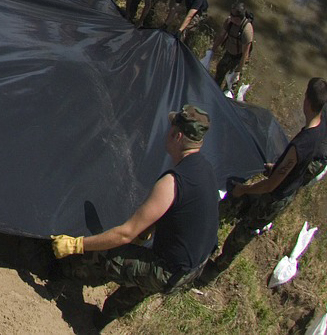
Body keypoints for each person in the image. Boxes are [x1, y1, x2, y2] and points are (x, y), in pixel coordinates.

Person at [51, 105, 219, 330]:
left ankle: (60, 273)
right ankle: (100, 321)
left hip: (169, 270)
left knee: (107, 253)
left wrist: (75, 244)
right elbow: (184, 212)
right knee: (140, 284)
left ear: (177, 135)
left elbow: (125, 233)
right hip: (194, 268)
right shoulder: (205, 169)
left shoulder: (172, 182)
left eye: (171, 128)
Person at [198, 77, 327, 286]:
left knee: (242, 233)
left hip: (274, 197)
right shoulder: (319, 130)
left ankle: (213, 270)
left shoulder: (301, 144)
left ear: (307, 101)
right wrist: (277, 168)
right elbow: (299, 168)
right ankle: (206, 241)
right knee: (229, 207)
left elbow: (270, 185)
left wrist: (245, 189)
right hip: (284, 189)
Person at [208, 2, 254, 88]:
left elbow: (245, 54)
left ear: (238, 17)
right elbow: (221, 36)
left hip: (239, 57)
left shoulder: (246, 30)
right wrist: (212, 50)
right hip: (229, 52)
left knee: (231, 82)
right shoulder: (229, 22)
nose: (230, 15)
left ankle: (227, 94)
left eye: (232, 14)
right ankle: (215, 90)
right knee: (220, 69)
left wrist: (238, 71)